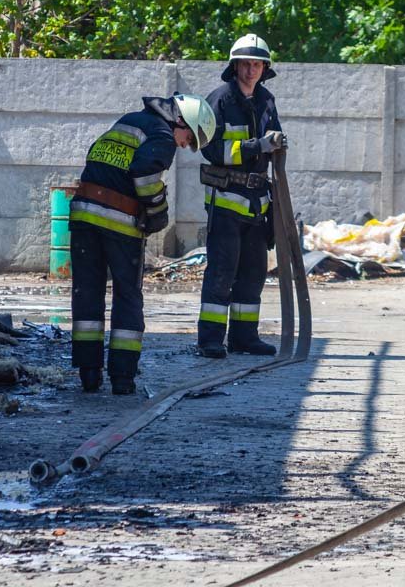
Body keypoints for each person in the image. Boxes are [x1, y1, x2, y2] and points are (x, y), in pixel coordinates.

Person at [69, 94, 217, 395]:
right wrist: (158, 214)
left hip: (83, 215)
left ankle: (89, 374)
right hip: (118, 223)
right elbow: (145, 175)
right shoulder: (161, 135)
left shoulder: (129, 121)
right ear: (181, 121)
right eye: (189, 138)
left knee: (87, 292)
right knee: (128, 296)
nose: (183, 145)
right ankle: (123, 377)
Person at [197, 34, 285, 359]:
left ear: (265, 68)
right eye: (245, 64)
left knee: (253, 273)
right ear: (235, 66)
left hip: (257, 203)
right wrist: (254, 146)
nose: (251, 70)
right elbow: (210, 149)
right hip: (226, 203)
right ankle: (209, 339)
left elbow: (272, 141)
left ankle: (244, 337)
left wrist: (276, 142)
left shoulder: (267, 101)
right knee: (221, 272)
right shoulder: (218, 100)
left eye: (257, 64)